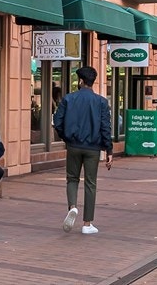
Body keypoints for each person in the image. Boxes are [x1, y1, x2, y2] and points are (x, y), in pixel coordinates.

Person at [53, 65, 112, 236]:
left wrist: (67, 138)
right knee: (90, 183)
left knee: (72, 179)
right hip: (93, 148)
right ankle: (87, 224)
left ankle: (72, 207)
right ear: (92, 82)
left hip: (73, 145)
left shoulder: (68, 99)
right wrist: (108, 150)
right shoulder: (101, 102)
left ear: (80, 81)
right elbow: (105, 127)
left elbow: (57, 122)